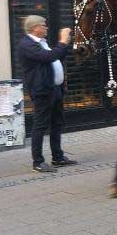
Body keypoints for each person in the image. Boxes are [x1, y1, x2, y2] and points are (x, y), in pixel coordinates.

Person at [17, 15, 78, 172]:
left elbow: (56, 58)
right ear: (34, 27)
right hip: (42, 91)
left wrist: (63, 46)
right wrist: (63, 41)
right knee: (40, 126)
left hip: (55, 89)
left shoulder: (41, 43)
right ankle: (37, 162)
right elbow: (48, 57)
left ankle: (57, 157)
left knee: (57, 123)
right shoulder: (27, 44)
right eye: (44, 25)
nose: (47, 27)